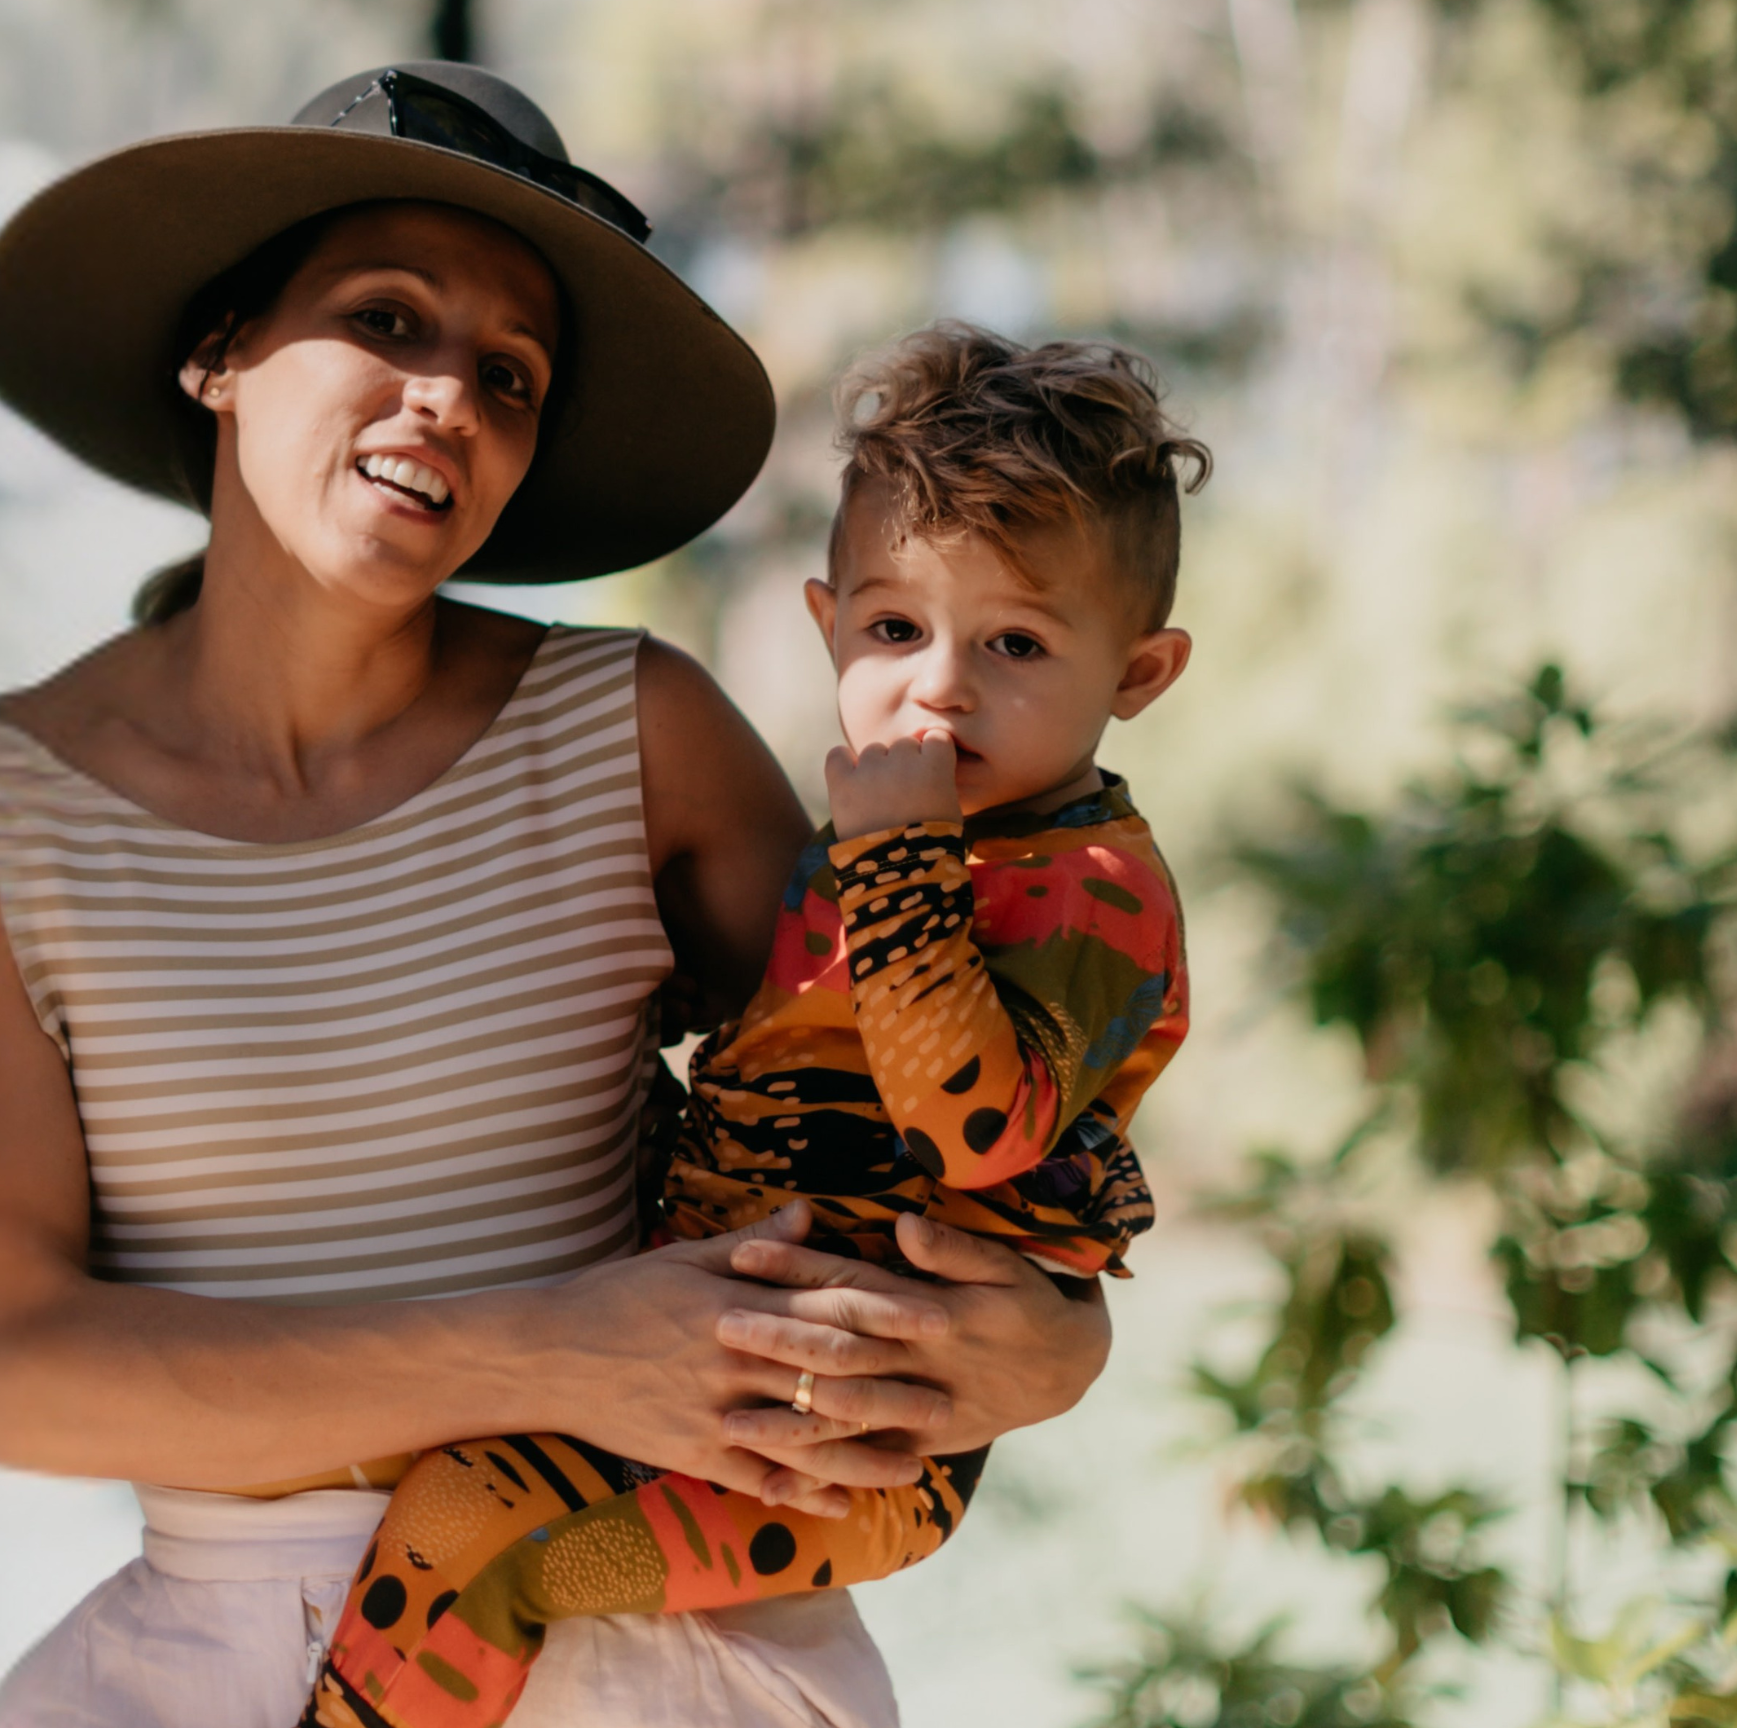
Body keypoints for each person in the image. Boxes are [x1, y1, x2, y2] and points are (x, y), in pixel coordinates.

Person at [0, 61, 1110, 1727]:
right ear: (218, 353)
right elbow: (14, 1373)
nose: (449, 394)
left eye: (507, 375)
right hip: (210, 1664)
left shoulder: (630, 732)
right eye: (387, 319)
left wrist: (1056, 1349)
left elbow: (912, 1100)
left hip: (658, 1639)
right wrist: (554, 1349)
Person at [305, 323, 1207, 1728]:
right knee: (457, 1513)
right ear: (827, 621)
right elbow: (778, 1068)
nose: (942, 685)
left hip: (851, 1442)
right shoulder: (865, 856)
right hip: (722, 1361)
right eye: (896, 629)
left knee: (496, 1547)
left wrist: (896, 865)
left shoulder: (1092, 895)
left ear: (1139, 678)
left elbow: (973, 1122)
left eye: (1017, 642)